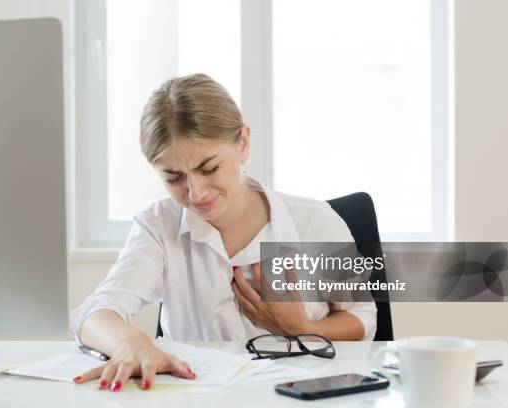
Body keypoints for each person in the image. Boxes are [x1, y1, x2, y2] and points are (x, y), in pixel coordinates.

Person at [71, 73, 377, 392]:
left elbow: (363, 318)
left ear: (243, 143)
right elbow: (95, 313)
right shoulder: (158, 225)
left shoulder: (313, 222)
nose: (196, 192)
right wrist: (130, 342)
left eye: (209, 169)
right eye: (174, 178)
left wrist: (300, 328)